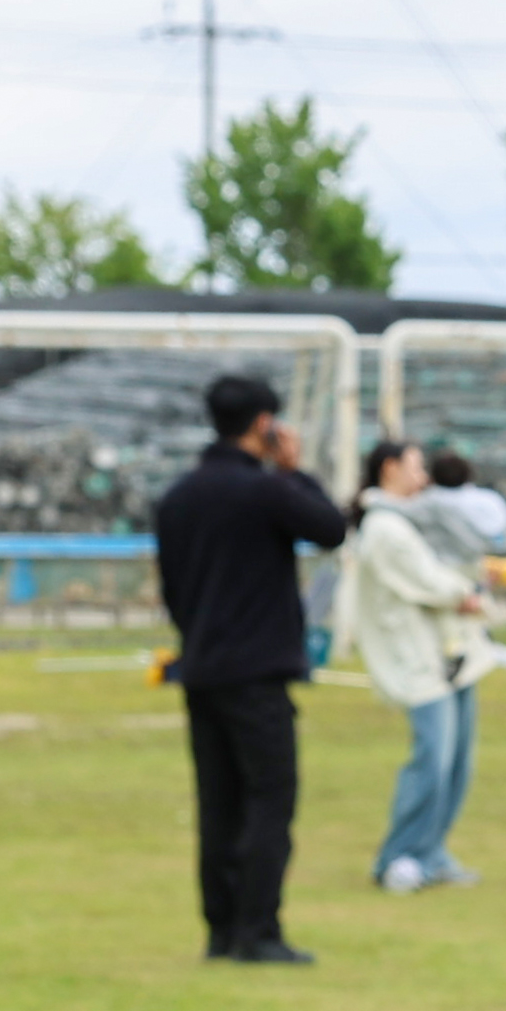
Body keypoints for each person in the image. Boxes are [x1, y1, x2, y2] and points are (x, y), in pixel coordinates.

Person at [154, 372, 348, 963]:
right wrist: (292, 470)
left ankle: (220, 928)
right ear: (266, 425)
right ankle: (258, 930)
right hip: (257, 670)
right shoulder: (265, 490)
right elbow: (331, 529)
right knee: (269, 798)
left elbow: (173, 588)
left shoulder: (178, 497)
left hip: (203, 665)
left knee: (218, 803)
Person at [341, 439, 491, 895]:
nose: (422, 478)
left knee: (457, 763)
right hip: (417, 661)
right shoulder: (384, 527)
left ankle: (432, 851)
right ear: (389, 469)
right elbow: (427, 581)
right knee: (432, 759)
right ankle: (401, 857)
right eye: (415, 468)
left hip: (450, 652)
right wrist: (463, 594)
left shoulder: (412, 518)